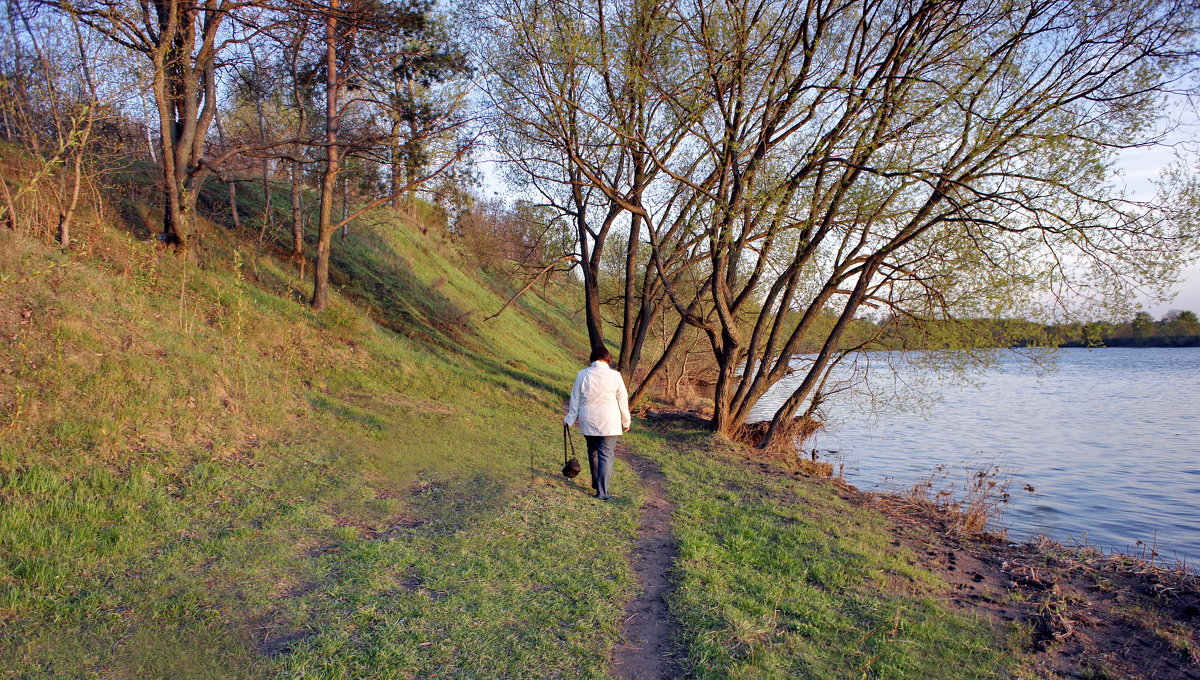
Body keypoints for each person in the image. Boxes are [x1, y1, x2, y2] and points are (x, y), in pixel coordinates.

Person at [563, 345, 631, 500]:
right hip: (609, 420)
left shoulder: (582, 374)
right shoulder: (615, 375)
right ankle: (602, 492)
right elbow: (622, 400)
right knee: (606, 455)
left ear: (592, 358)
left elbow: (575, 400)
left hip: (588, 420)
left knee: (593, 452)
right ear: (608, 359)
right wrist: (626, 421)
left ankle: (596, 483)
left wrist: (569, 419)